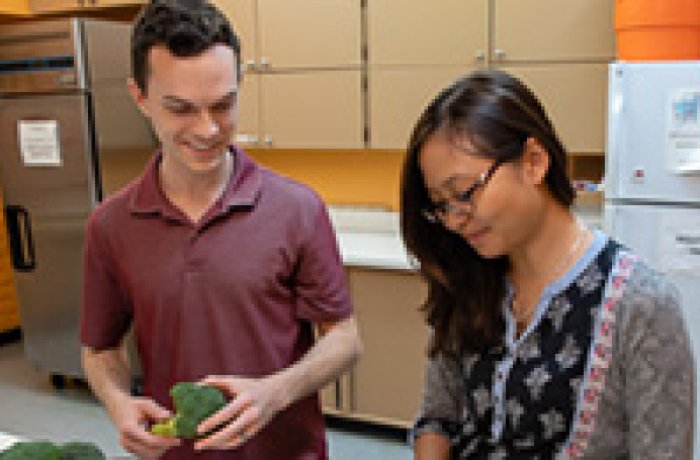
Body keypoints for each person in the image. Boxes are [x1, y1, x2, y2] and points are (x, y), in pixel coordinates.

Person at [79, 1, 362, 459]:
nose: (208, 128)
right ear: (139, 97)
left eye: (223, 105)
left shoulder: (297, 208)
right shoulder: (110, 225)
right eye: (180, 109)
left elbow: (344, 338)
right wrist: (118, 404)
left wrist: (276, 391)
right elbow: (100, 350)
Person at [400, 69, 695, 459]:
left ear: (534, 162)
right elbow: (438, 417)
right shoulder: (470, 276)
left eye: (464, 192)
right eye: (441, 204)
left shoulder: (640, 305)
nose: (456, 218)